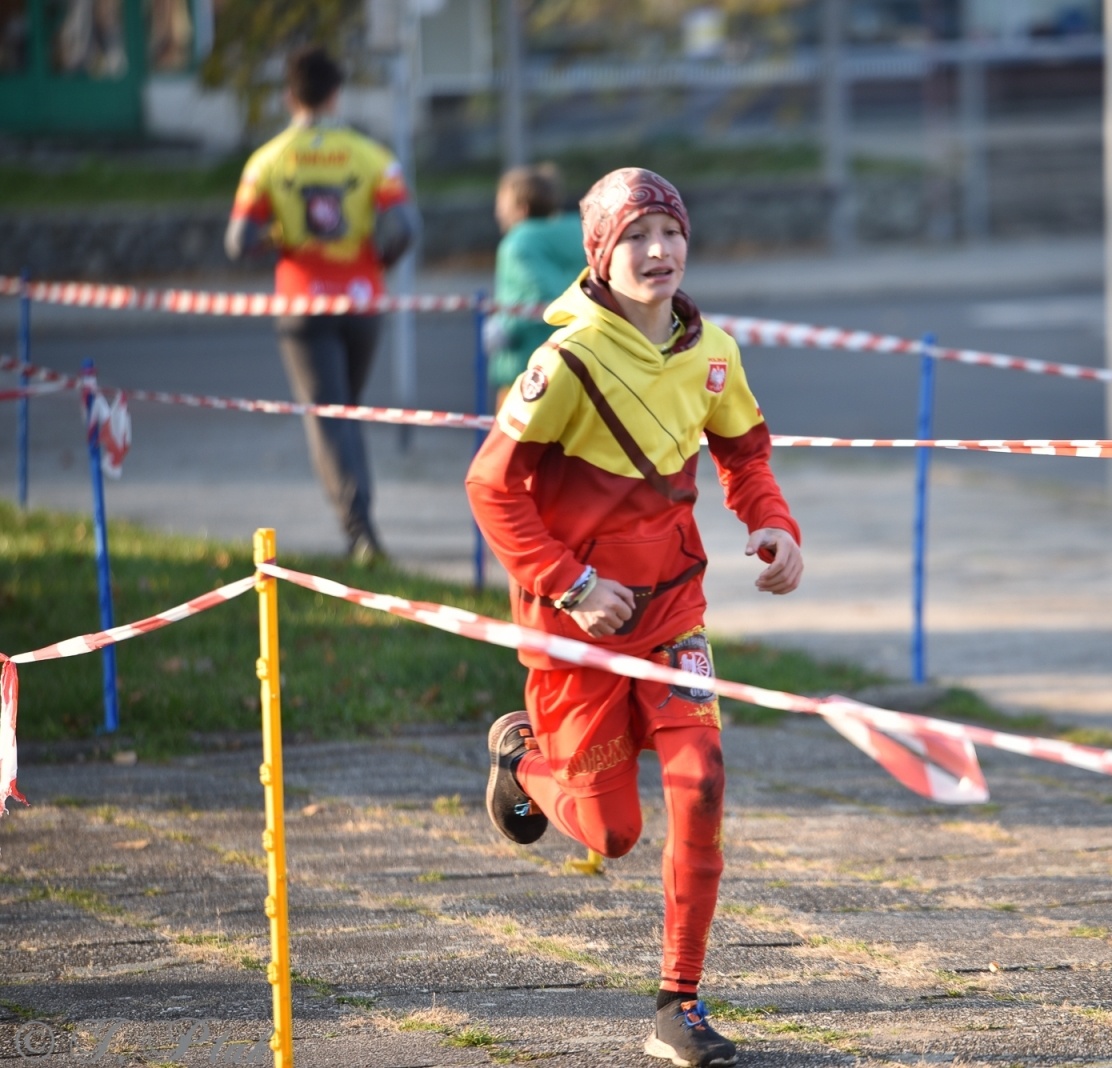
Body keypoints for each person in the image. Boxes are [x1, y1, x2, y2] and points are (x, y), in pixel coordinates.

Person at [465, 167, 802, 1067]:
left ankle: (677, 1006)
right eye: (634, 238)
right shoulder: (564, 362)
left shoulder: (714, 350)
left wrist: (772, 523)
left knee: (701, 784)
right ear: (600, 256)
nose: (657, 252)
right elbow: (490, 489)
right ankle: (520, 758)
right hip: (573, 629)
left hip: (674, 618)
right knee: (611, 833)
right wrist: (571, 583)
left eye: (669, 233)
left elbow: (745, 452)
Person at [225, 44, 418, 563]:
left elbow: (238, 241)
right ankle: (363, 527)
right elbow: (404, 228)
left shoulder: (267, 160)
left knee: (328, 416)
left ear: (290, 97)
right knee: (345, 411)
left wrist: (278, 237)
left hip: (301, 305)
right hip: (361, 300)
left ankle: (361, 534)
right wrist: (376, 259)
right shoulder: (371, 155)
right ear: (336, 94)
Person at [484, 163, 587, 409]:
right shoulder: (579, 233)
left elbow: (539, 296)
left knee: (512, 443)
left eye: (502, 203)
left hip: (525, 366)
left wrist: (503, 326)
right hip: (577, 357)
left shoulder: (517, 243)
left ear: (521, 208)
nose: (498, 211)